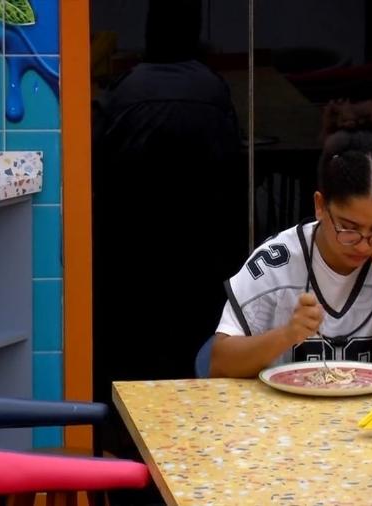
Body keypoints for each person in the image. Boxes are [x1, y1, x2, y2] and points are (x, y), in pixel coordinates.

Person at [91, 1, 245, 503]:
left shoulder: (124, 92)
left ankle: (131, 478)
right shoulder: (214, 91)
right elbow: (235, 175)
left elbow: (97, 171)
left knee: (133, 376)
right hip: (201, 260)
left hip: (131, 262)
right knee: (193, 373)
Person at [209, 100, 372, 378]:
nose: (363, 244)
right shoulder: (276, 263)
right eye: (349, 228)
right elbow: (220, 364)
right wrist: (287, 334)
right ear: (320, 206)